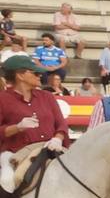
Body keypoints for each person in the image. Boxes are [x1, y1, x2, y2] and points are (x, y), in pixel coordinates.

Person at [0, 53, 72, 187]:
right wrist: (17, 127)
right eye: (35, 73)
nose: (40, 76)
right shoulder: (2, 99)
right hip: (17, 153)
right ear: (20, 75)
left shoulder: (47, 97)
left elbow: (61, 124)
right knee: (6, 181)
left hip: (50, 148)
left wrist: (58, 138)